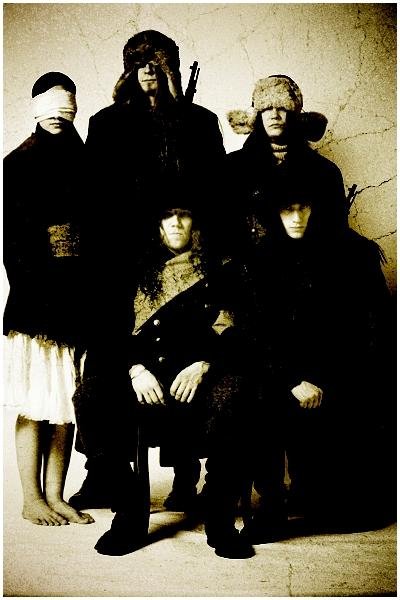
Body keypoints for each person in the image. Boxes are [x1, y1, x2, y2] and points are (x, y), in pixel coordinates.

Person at [69, 29, 226, 511]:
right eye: (140, 65)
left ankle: (186, 474)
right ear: (129, 71)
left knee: (184, 357)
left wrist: (203, 253)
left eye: (157, 65)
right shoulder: (106, 123)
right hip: (123, 262)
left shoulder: (199, 122)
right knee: (103, 371)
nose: (149, 73)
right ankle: (105, 473)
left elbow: (217, 195)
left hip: (186, 256)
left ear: (170, 68)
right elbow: (92, 200)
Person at [72, 199, 254, 559]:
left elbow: (239, 330)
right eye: (168, 217)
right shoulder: (134, 270)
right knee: (90, 396)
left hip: (200, 380)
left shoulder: (223, 270)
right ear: (157, 226)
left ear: (195, 223)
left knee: (235, 394)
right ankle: (129, 512)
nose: (176, 223)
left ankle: (219, 519)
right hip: (146, 380)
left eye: (183, 215)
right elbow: (109, 333)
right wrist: (135, 369)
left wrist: (206, 364)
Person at [240, 176, 394, 543]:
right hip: (286, 377)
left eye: (303, 208)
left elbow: (371, 336)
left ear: (318, 209)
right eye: (286, 209)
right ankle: (272, 505)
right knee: (254, 394)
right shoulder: (263, 259)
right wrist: (291, 379)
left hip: (343, 376)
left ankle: (331, 497)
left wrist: (326, 382)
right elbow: (256, 334)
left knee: (346, 504)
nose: (295, 218)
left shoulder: (354, 254)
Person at [3, 72, 93, 526]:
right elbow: (13, 246)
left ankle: (56, 494)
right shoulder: (17, 163)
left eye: (67, 107)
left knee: (65, 402)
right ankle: (31, 498)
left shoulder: (87, 160)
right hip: (37, 301)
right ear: (36, 107)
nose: (59, 116)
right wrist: (40, 294)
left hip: (79, 296)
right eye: (50, 107)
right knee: (36, 400)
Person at [225, 74, 348, 258]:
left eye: (282, 107)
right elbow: (221, 232)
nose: (274, 115)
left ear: (294, 114)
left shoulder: (324, 172)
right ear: (257, 115)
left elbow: (335, 235)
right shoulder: (232, 168)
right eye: (267, 108)